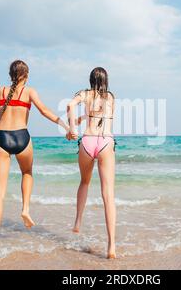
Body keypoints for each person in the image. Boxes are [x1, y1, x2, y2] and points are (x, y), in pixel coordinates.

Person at [0, 59, 73, 262]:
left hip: (1, 138)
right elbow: (44, 111)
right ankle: (25, 208)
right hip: (22, 137)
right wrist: (64, 125)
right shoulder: (30, 91)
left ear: (10, 74)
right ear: (26, 75)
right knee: (27, 173)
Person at [67, 67, 117, 259]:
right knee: (108, 194)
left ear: (90, 80)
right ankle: (111, 246)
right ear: (106, 80)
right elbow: (100, 116)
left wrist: (73, 128)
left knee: (84, 182)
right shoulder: (111, 97)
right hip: (105, 142)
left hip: (87, 141)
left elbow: (71, 105)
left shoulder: (85, 94)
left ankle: (78, 222)